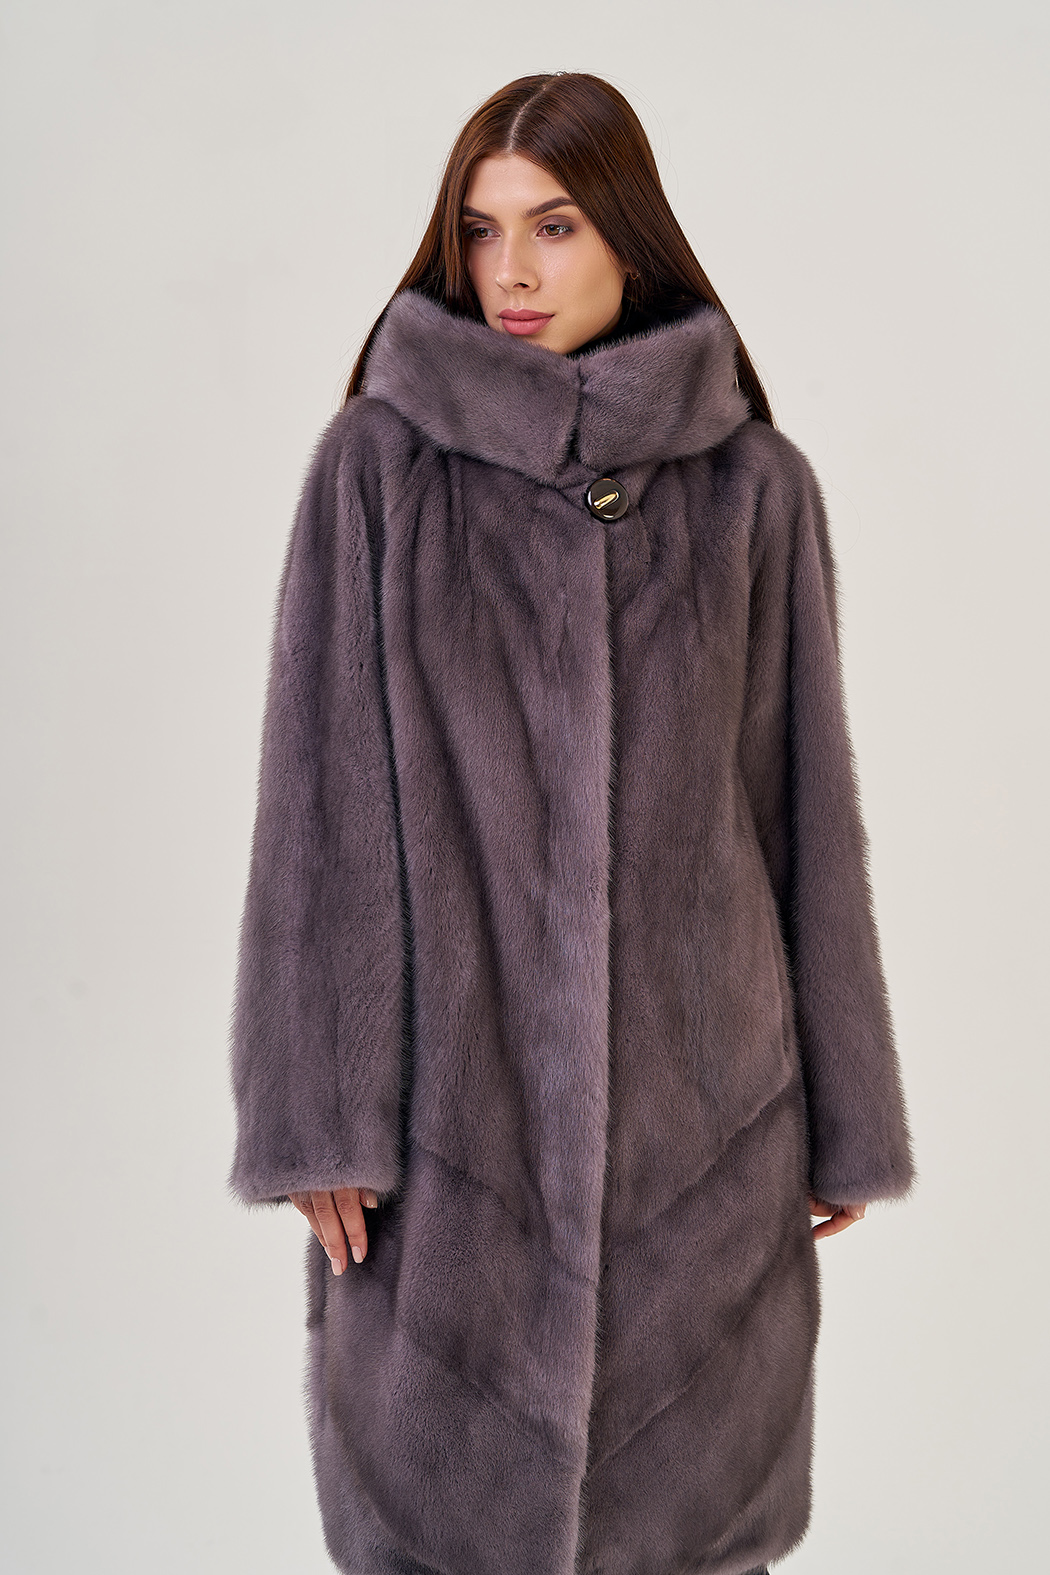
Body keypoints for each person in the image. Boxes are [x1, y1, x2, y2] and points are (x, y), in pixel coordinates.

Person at [227, 71, 917, 1575]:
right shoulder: (379, 470)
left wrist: (841, 1116)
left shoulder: (754, 491)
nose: (514, 274)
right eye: (481, 233)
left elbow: (804, 813)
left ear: (627, 234)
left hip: (706, 1141)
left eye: (553, 226)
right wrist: (318, 1113)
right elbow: (319, 806)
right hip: (445, 1142)